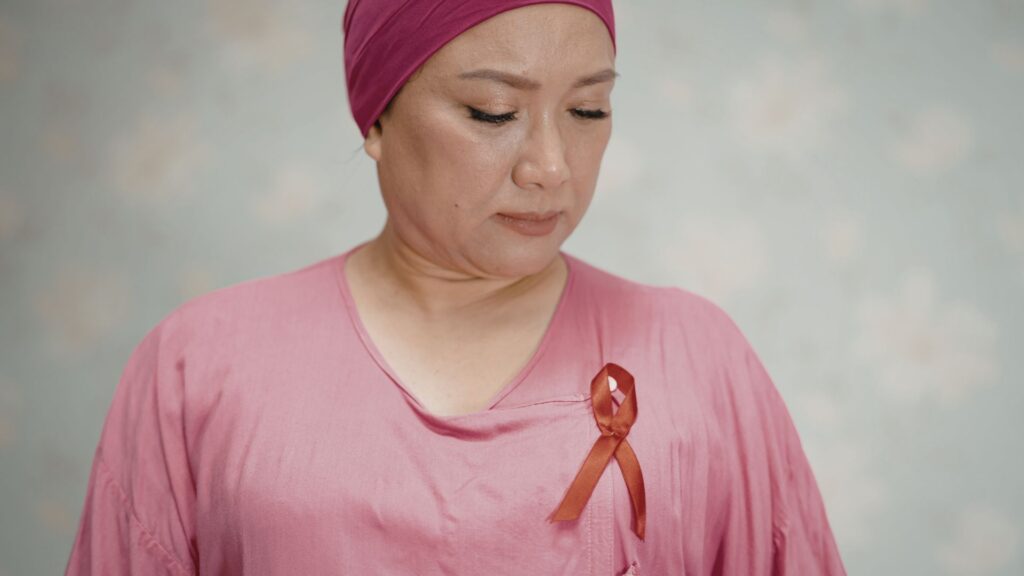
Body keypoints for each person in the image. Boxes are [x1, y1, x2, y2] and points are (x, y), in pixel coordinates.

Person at [65, 1, 847, 574]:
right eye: (492, 110)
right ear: (375, 120)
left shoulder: (695, 356)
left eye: (588, 108)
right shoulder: (200, 363)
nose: (551, 167)